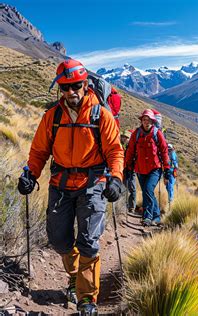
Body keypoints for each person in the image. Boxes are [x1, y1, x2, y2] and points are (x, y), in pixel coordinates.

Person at [17, 59, 123, 315]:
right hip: (60, 185)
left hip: (93, 185)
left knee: (88, 241)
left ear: (85, 84)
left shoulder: (101, 115)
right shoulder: (52, 117)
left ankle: (87, 298)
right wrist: (30, 174)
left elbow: (115, 151)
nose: (71, 91)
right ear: (60, 88)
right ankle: (74, 276)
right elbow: (39, 151)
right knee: (59, 240)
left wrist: (116, 178)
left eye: (76, 85)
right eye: (65, 87)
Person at [125, 109, 170, 226]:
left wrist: (167, 171)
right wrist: (127, 167)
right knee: (147, 192)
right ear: (142, 121)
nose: (146, 122)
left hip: (155, 168)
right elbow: (130, 151)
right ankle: (156, 216)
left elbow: (164, 152)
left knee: (148, 190)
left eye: (148, 120)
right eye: (144, 119)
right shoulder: (137, 133)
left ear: (152, 121)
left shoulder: (157, 133)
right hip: (140, 169)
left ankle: (147, 217)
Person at [121, 130, 137, 213]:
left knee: (132, 188)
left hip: (131, 170)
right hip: (123, 169)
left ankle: (131, 207)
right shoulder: (121, 146)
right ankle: (123, 205)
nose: (123, 138)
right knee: (123, 187)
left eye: (125, 137)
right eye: (123, 137)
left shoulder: (133, 147)